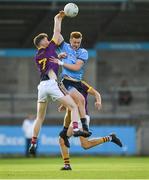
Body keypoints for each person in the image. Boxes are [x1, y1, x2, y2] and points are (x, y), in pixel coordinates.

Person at [29, 11, 88, 155]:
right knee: (74, 106)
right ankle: (75, 129)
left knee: (39, 118)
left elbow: (49, 60)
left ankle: (33, 143)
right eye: (46, 39)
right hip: (52, 84)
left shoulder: (38, 55)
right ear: (41, 42)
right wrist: (58, 18)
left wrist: (58, 55)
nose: (48, 40)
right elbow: (57, 31)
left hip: (42, 87)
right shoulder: (49, 48)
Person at [58, 81, 123, 170]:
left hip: (81, 117)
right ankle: (110, 138)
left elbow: (96, 93)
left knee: (64, 137)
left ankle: (67, 163)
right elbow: (70, 100)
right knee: (85, 145)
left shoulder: (81, 84)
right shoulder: (65, 84)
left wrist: (98, 101)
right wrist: (63, 105)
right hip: (71, 116)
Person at [49, 31, 92, 135]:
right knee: (80, 100)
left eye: (78, 42)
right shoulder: (64, 47)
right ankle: (82, 128)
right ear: (70, 40)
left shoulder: (83, 52)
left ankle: (67, 131)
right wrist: (59, 18)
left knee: (80, 103)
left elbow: (77, 67)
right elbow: (57, 33)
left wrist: (61, 62)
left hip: (77, 83)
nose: (76, 44)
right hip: (66, 82)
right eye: (74, 42)